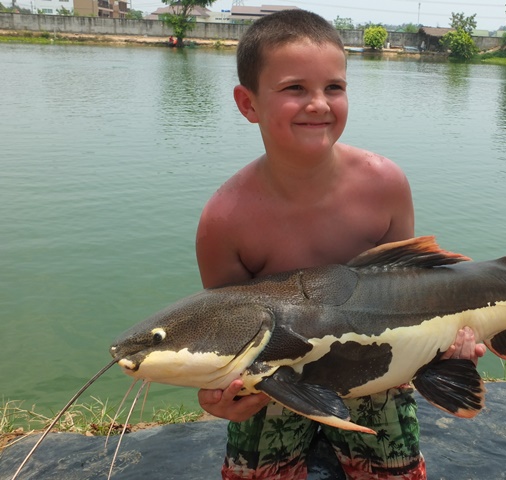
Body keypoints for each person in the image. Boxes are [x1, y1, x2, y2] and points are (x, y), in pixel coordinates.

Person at [195, 9, 485, 479]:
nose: (318, 104)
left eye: (334, 87)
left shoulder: (385, 185)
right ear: (248, 104)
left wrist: (445, 345)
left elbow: (410, 291)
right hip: (275, 383)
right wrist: (216, 396)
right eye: (295, 88)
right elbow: (223, 335)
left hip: (378, 368)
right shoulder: (224, 220)